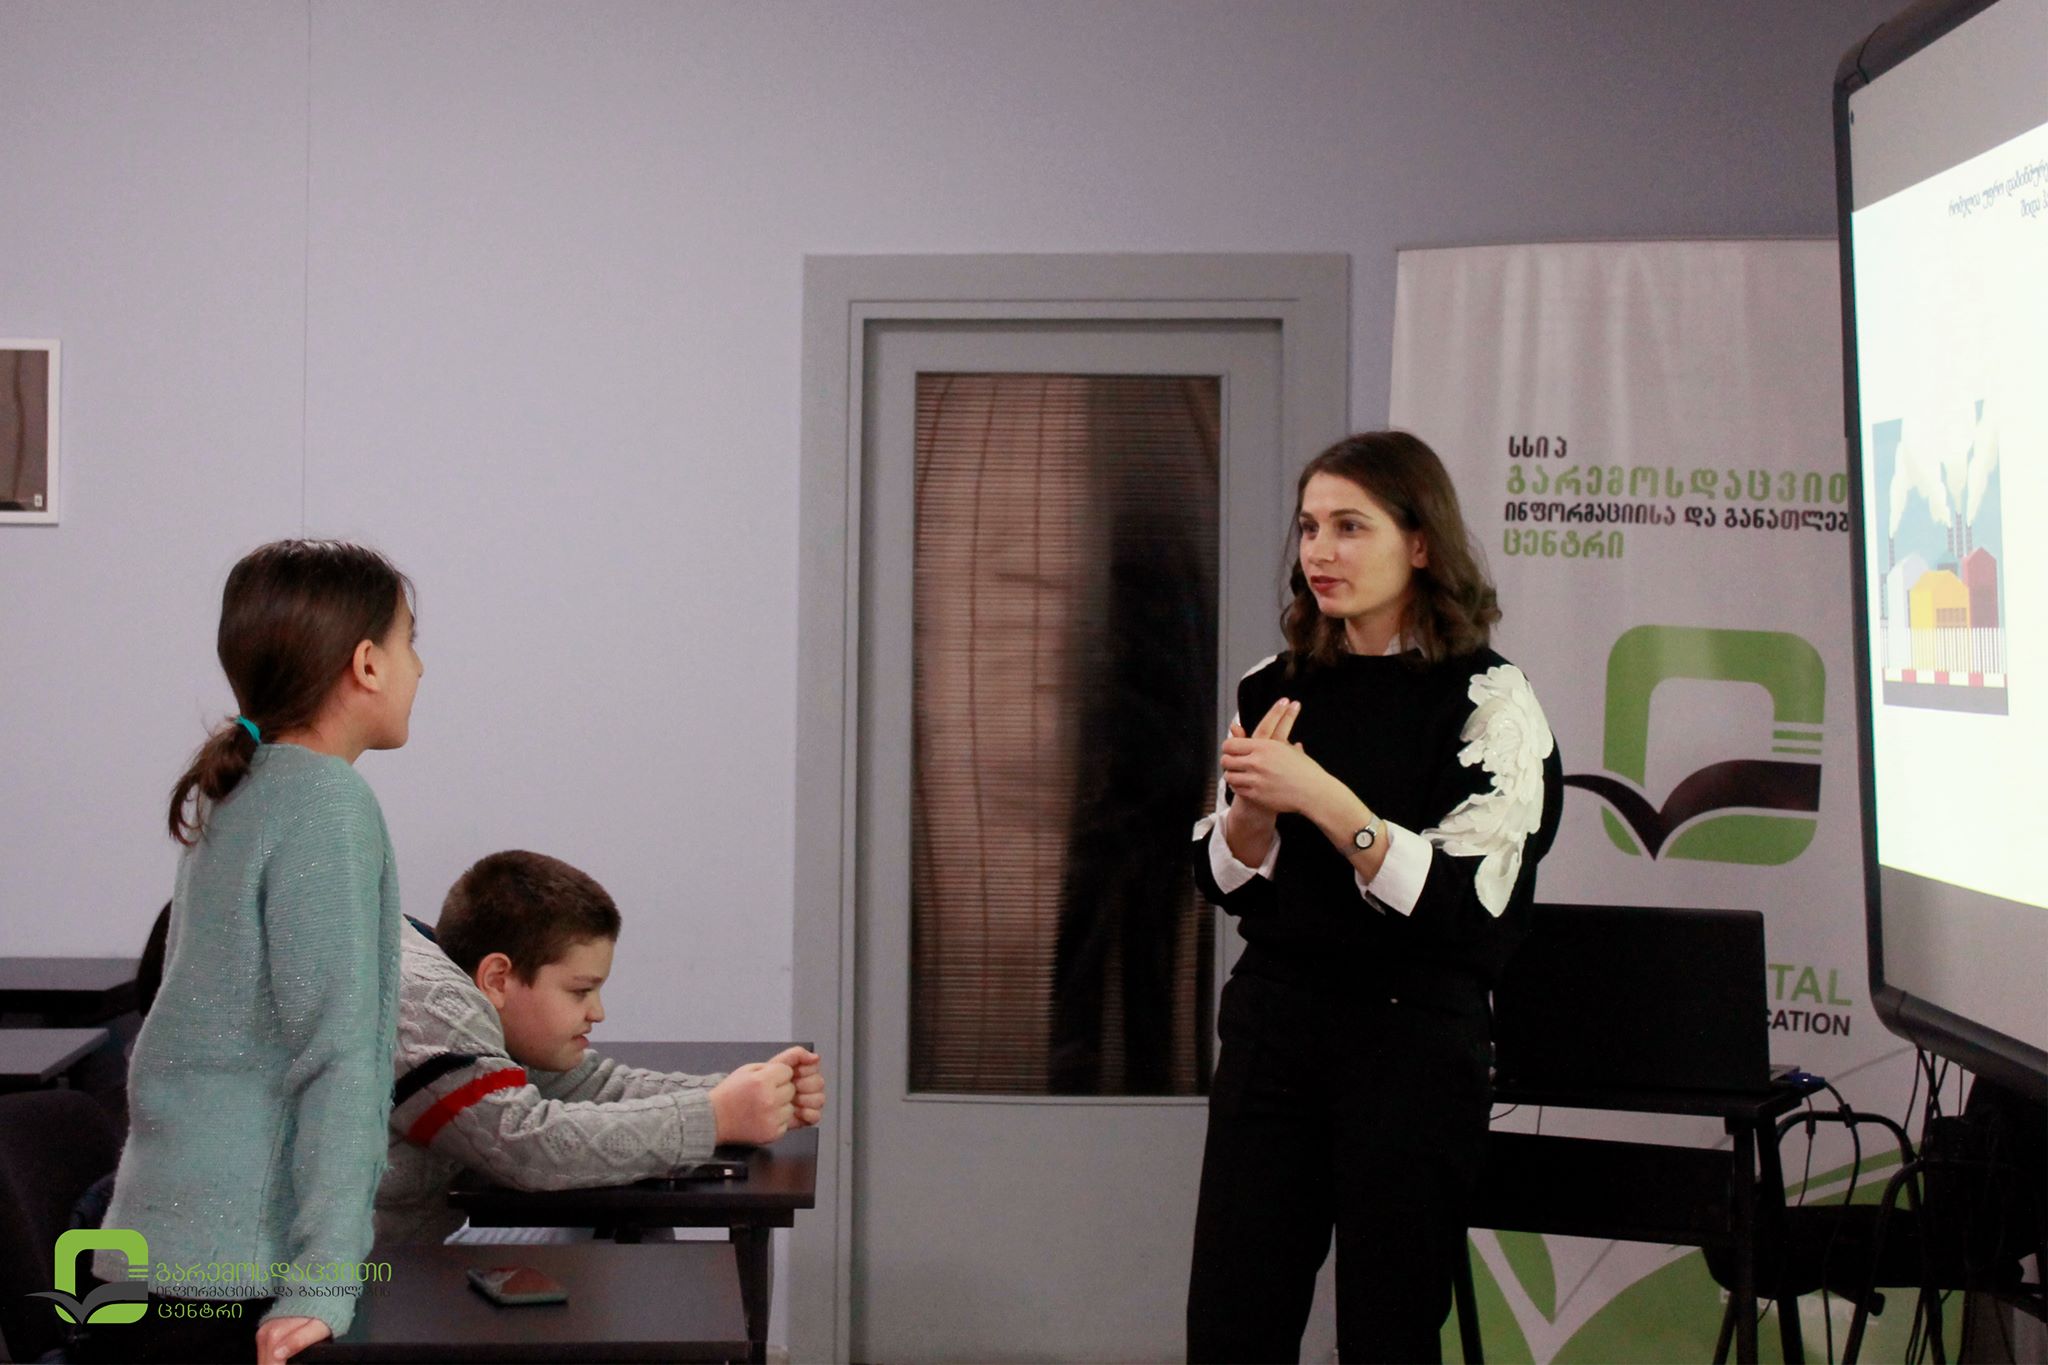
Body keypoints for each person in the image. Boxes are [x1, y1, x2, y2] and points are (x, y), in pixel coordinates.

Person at [1184, 431, 1564, 1364]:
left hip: (1412, 1046)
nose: (1320, 551)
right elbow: (1220, 875)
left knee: (1388, 1332)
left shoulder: (1492, 702)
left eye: (1350, 527)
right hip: (1274, 1031)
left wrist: (1325, 800)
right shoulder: (1272, 686)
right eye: (1311, 527)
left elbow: (1467, 909)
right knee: (1232, 1324)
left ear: (1420, 542)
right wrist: (1250, 820)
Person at [78, 540, 422, 1365]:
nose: (420, 667)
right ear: (367, 663)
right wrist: (326, 1279)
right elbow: (339, 1057)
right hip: (234, 1277)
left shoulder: (243, 786)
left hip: (147, 1255)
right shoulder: (327, 801)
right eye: (411, 642)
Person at [375, 849, 826, 1245]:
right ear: (497, 978)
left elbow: (591, 1085)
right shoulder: (427, 1007)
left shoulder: (456, 978)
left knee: (620, 1219)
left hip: (405, 1257)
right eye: (580, 991)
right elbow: (526, 1145)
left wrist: (746, 1097)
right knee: (608, 1228)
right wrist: (716, 1118)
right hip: (354, 1280)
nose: (597, 1012)